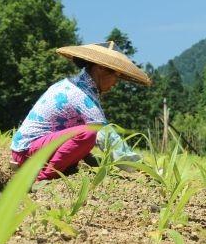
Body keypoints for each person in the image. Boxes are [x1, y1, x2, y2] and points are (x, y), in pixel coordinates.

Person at [10, 41, 151, 182]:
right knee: (90, 132)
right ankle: (41, 179)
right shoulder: (81, 95)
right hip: (27, 152)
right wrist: (142, 168)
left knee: (86, 134)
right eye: (116, 75)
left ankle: (54, 169)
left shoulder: (74, 85)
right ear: (101, 68)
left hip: (31, 149)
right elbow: (107, 136)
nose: (116, 82)